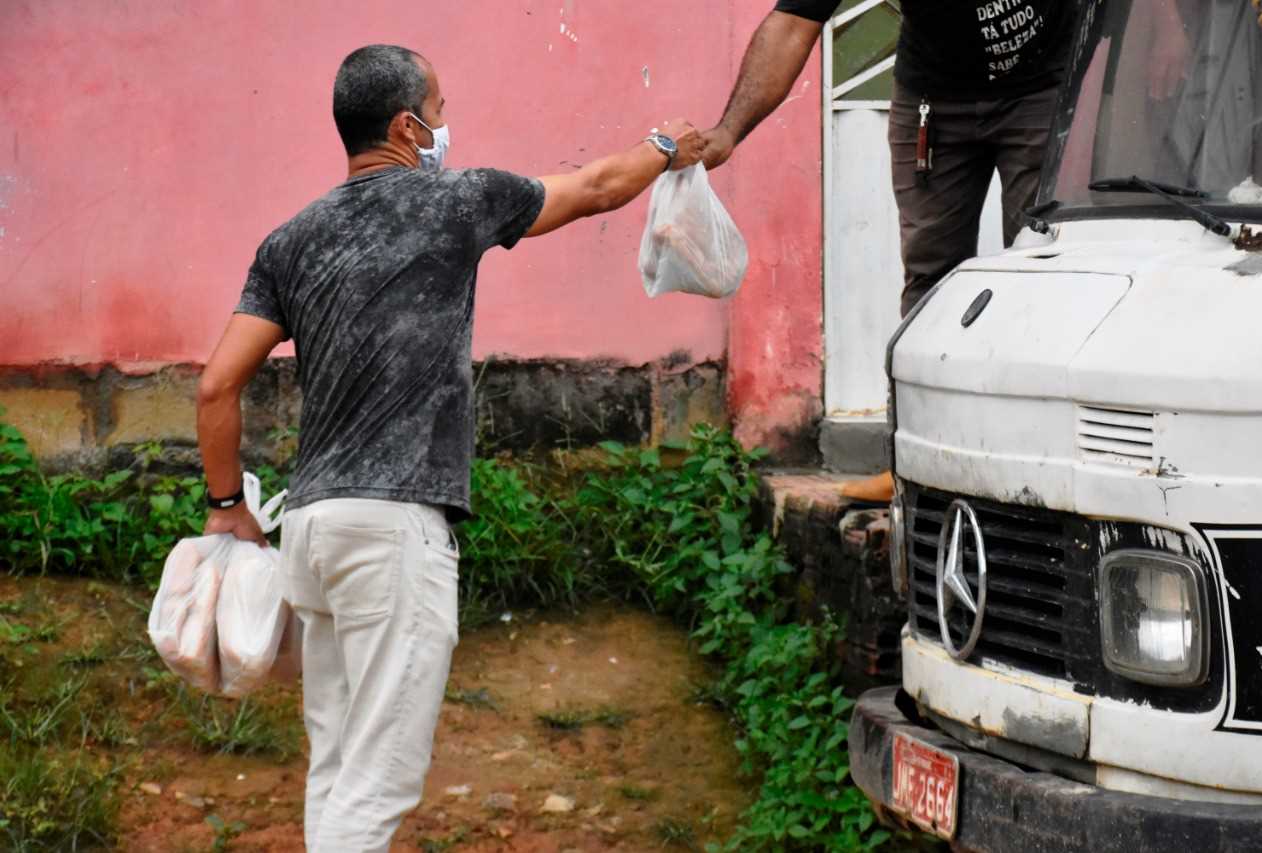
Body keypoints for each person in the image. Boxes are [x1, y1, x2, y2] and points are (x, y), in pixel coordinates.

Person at [194, 44, 703, 852]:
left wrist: (228, 510)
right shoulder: (457, 201)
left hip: (313, 530)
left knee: (338, 768)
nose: (445, 125)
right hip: (394, 532)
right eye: (438, 109)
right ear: (405, 125)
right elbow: (597, 188)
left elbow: (216, 386)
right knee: (381, 778)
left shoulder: (288, 242)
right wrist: (668, 145)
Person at [701, 0, 1081, 502]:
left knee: (1046, 271)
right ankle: (918, 462)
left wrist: (1167, 35)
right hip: (934, 100)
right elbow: (793, 23)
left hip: (1045, 88)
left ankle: (1045, 467)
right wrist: (729, 130)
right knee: (930, 282)